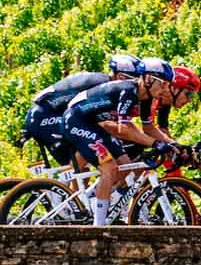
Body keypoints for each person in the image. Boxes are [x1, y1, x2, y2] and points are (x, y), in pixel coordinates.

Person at [61, 68, 178, 225]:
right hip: (75, 120)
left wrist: (174, 145)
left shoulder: (146, 97)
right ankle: (98, 226)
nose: (165, 89)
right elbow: (124, 130)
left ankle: (95, 199)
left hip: (94, 124)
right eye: (163, 84)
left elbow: (149, 128)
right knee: (109, 168)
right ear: (149, 79)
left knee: (126, 165)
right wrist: (156, 144)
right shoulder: (129, 91)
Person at [18, 54, 148, 170]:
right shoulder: (102, 86)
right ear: (120, 76)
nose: (136, 84)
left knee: (87, 163)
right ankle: (66, 191)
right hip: (44, 115)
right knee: (84, 155)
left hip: (52, 113)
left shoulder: (108, 85)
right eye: (135, 79)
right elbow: (106, 125)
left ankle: (78, 193)